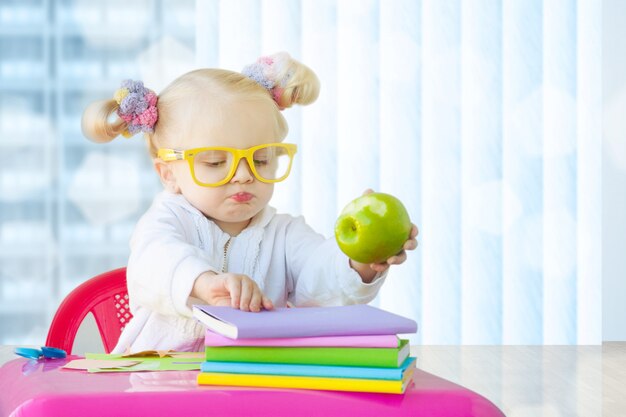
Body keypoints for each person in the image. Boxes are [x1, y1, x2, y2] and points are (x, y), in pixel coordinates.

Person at [81, 52, 419, 353]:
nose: (244, 175)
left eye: (260, 160)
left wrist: (358, 260)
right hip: (157, 385)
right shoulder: (167, 220)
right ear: (168, 174)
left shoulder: (284, 233)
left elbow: (321, 284)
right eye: (216, 162)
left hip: (254, 385)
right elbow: (154, 260)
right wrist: (204, 282)